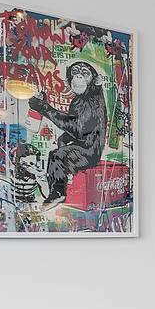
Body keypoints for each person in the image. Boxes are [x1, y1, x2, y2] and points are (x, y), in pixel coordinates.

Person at [28, 61, 106, 208]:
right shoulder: (81, 99)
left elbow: (77, 127)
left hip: (90, 150)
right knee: (60, 146)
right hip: (85, 144)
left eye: (84, 74)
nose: (79, 77)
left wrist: (43, 107)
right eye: (75, 72)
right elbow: (79, 127)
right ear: (69, 78)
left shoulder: (92, 100)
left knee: (57, 155)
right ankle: (61, 184)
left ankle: (57, 193)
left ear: (94, 80)